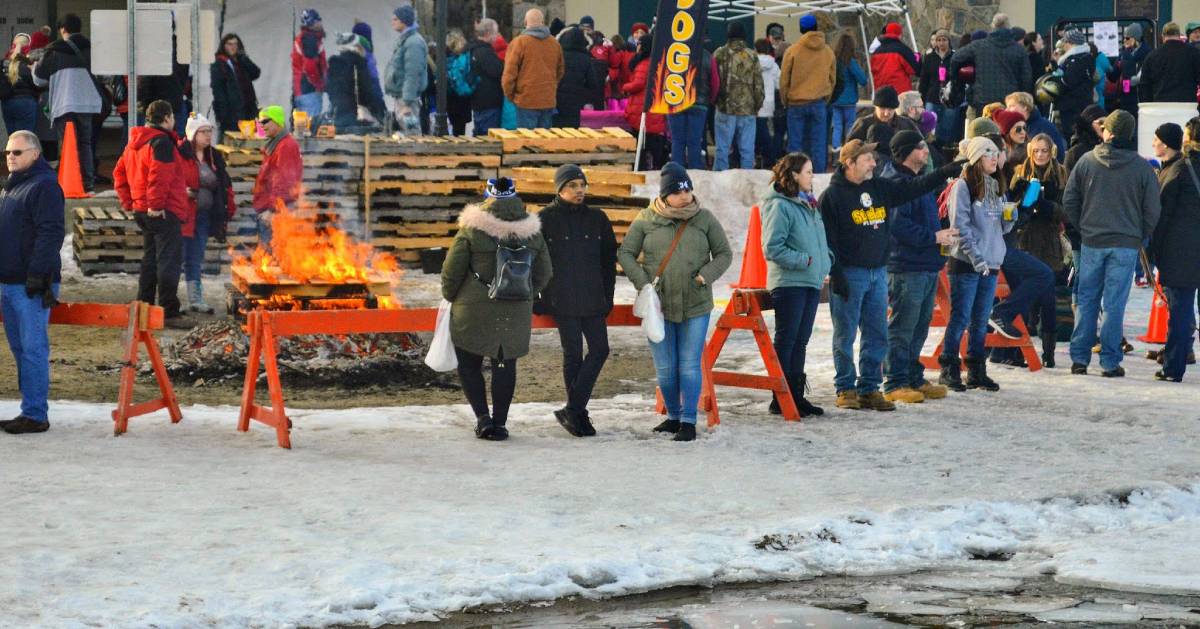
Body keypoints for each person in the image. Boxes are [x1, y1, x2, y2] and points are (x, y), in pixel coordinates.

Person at [819, 139, 961, 410]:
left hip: (877, 272)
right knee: (845, 334)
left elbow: (910, 189)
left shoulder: (878, 186)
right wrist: (836, 273)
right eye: (868, 159)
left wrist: (943, 172)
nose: (874, 163)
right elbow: (827, 239)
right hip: (851, 272)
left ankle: (870, 388)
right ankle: (845, 387)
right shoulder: (833, 197)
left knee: (877, 332)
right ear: (849, 164)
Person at [617, 163, 732, 441]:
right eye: (678, 191)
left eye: (688, 189)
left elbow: (724, 254)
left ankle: (689, 422)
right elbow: (626, 253)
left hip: (696, 304)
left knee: (690, 364)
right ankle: (673, 416)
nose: (685, 195)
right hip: (660, 306)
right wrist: (643, 282)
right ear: (665, 194)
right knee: (666, 368)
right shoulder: (646, 219)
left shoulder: (704, 218)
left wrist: (705, 276)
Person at [441, 178, 552, 441]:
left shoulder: (471, 228)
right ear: (516, 197)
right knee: (504, 362)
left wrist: (452, 295)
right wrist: (524, 292)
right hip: (515, 310)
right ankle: (500, 423)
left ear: (487, 197)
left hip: (473, 308)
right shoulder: (532, 232)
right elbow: (545, 272)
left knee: (469, 363)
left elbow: (451, 271)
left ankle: (483, 419)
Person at [1063, 110, 1161, 377]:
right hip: (1126, 242)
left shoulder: (1086, 161)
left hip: (1093, 240)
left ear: (1108, 132)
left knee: (1087, 300)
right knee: (1114, 304)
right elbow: (1152, 209)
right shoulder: (1142, 167)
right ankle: (1109, 361)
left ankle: (1080, 358)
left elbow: (1069, 200)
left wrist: (1084, 227)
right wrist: (1139, 234)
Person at [538, 165, 617, 436]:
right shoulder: (545, 219)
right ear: (559, 189)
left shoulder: (598, 218)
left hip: (593, 296)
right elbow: (535, 262)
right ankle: (578, 415)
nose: (579, 189)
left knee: (600, 349)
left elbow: (608, 261)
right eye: (572, 185)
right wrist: (539, 296)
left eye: (582, 184)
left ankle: (572, 409)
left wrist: (609, 296)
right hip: (561, 298)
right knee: (572, 353)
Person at [881, 131, 957, 402]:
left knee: (920, 325)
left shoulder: (917, 181)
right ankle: (895, 381)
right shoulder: (895, 183)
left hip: (925, 263)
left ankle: (912, 375)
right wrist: (933, 237)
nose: (926, 151)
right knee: (903, 326)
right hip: (905, 265)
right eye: (921, 147)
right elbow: (899, 226)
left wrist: (943, 233)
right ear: (906, 152)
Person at [0, 130, 65, 434]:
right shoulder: (12, 188)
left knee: (33, 347)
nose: (10, 157)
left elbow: (50, 232)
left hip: (30, 284)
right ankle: (30, 409)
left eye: (17, 152)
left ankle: (36, 414)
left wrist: (39, 275)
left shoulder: (44, 186)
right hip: (9, 282)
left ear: (35, 154)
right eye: (8, 152)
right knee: (19, 348)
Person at [939, 137, 1014, 392]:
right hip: (967, 262)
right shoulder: (963, 186)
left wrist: (1011, 215)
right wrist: (976, 256)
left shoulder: (996, 185)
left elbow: (1001, 228)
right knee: (960, 317)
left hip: (991, 261)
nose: (994, 158)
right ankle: (948, 366)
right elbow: (960, 225)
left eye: (996, 153)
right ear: (975, 158)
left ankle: (976, 368)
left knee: (981, 320)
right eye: (988, 153)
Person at [760, 152, 832, 416]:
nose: (812, 177)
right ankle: (781, 396)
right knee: (788, 339)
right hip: (790, 282)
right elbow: (772, 247)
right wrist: (806, 260)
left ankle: (795, 395)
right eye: (808, 172)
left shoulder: (808, 202)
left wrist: (826, 260)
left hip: (810, 281)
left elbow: (817, 238)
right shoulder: (779, 205)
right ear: (793, 175)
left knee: (801, 340)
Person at [113, 100, 193, 329]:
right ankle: (168, 311)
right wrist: (155, 205)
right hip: (162, 210)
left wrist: (130, 203)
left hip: (143, 210)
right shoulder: (161, 143)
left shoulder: (135, 143)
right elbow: (160, 177)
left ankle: (144, 307)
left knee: (150, 260)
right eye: (173, 118)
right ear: (167, 118)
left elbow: (119, 173)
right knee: (168, 260)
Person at [1009, 134, 1070, 367]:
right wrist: (1021, 199)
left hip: (1050, 240)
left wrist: (1046, 206)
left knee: (1049, 298)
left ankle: (1049, 353)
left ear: (1051, 151)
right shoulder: (1020, 172)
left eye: (1044, 151)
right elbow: (1010, 203)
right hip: (1025, 239)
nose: (1041, 155)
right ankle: (1020, 349)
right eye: (1036, 151)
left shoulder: (1061, 173)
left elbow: (1067, 211)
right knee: (1025, 295)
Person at [1150, 119, 1200, 382]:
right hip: (1191, 248)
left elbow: (1162, 215)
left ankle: (1173, 366)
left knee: (1179, 310)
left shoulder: (1180, 169)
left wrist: (1154, 251)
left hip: (1182, 251)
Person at [30, 13, 101, 192]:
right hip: (87, 104)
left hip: (64, 104)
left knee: (69, 143)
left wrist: (33, 69)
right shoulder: (92, 49)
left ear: (62, 29)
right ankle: (88, 184)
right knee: (85, 143)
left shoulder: (53, 50)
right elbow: (105, 75)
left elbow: (38, 80)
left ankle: (69, 182)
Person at [177, 114, 236, 314]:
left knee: (195, 257)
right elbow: (170, 179)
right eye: (203, 132)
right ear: (193, 134)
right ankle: (169, 301)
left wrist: (227, 207)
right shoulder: (180, 154)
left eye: (209, 131)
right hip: (183, 215)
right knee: (177, 257)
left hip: (203, 216)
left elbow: (224, 183)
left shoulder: (214, 156)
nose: (208, 136)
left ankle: (196, 298)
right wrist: (182, 191)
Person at [780, 13, 836, 172]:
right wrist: (826, 98)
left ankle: (794, 177)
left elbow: (784, 80)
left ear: (800, 29)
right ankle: (818, 178)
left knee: (795, 145)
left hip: (796, 104)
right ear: (816, 28)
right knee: (819, 143)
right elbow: (832, 79)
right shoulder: (827, 51)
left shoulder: (793, 50)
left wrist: (785, 100)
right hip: (818, 103)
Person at [949, 13, 1032, 119]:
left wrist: (958, 86)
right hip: (1010, 102)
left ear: (993, 27)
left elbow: (956, 58)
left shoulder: (978, 46)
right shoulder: (1019, 50)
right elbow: (1026, 79)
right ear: (1009, 27)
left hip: (983, 100)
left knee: (983, 132)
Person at [713, 22, 765, 171]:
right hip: (748, 109)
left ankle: (719, 181)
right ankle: (747, 180)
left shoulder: (720, 53)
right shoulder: (752, 55)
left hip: (725, 108)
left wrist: (716, 101)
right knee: (747, 151)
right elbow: (759, 84)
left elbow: (714, 81)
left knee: (722, 149)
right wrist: (757, 105)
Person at [502, 9, 564, 130]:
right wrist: (550, 87)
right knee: (544, 143)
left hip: (526, 100)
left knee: (527, 143)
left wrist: (511, 96)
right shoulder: (554, 44)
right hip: (547, 100)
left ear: (525, 22)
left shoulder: (519, 42)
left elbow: (509, 75)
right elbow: (560, 71)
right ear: (543, 22)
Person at [251, 105, 302, 248]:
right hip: (268, 208)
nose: (261, 125)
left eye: (265, 121)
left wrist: (272, 210)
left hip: (275, 212)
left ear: (277, 121)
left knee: (273, 260)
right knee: (268, 258)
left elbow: (284, 182)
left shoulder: (286, 146)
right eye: (260, 122)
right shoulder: (276, 144)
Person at [666, 45, 717, 169]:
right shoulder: (708, 56)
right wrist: (709, 100)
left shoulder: (674, 52)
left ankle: (677, 176)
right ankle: (695, 176)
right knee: (695, 141)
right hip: (700, 104)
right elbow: (715, 82)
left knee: (678, 141)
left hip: (676, 102)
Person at [327, 33, 387, 133]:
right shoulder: (359, 63)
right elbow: (365, 92)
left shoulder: (334, 63)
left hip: (338, 115)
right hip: (354, 116)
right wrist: (377, 111)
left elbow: (329, 88)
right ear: (356, 47)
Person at [623, 35, 668, 170]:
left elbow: (639, 83)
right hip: (654, 109)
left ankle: (642, 170)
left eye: (639, 44)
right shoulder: (658, 62)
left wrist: (625, 87)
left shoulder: (644, 63)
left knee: (641, 145)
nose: (637, 47)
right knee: (654, 143)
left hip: (642, 110)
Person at [386, 5, 428, 134]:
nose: (392, 22)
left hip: (407, 99)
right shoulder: (406, 40)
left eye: (395, 19)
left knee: (412, 133)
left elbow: (413, 74)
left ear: (404, 21)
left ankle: (415, 154)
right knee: (408, 132)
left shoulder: (413, 42)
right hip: (402, 97)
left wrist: (407, 103)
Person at [210, 34, 261, 140]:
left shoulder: (241, 61)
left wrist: (244, 59)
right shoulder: (219, 63)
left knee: (249, 138)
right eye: (229, 44)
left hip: (248, 107)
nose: (233, 47)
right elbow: (218, 91)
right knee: (231, 139)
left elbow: (256, 73)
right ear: (224, 46)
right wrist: (222, 114)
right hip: (231, 111)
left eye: (235, 44)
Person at [1140, 22, 1200, 105]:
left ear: (1163, 36)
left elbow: (1145, 86)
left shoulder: (1151, 56)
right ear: (1179, 36)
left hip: (1161, 106)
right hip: (1187, 106)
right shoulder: (1194, 53)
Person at [830, 31, 868, 152]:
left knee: (837, 126)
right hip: (849, 101)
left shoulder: (833, 60)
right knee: (850, 127)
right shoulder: (850, 62)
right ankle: (849, 151)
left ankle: (836, 150)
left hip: (835, 99)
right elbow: (862, 79)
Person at [553, 27, 598, 129]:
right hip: (575, 101)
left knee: (555, 132)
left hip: (556, 100)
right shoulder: (585, 59)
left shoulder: (558, 55)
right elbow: (593, 83)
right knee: (572, 134)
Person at [466, 19, 504, 136]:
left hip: (477, 101)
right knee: (488, 138)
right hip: (488, 103)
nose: (497, 36)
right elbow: (499, 71)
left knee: (480, 134)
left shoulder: (472, 48)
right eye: (495, 33)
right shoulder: (485, 52)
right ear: (487, 34)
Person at [1054, 30, 1094, 139]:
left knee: (1072, 133)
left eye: (1065, 42)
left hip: (1071, 105)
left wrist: (1056, 83)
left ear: (1070, 43)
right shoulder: (1087, 57)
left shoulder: (1075, 60)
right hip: (1084, 101)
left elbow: (1068, 81)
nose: (1064, 45)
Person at [919, 29, 955, 148]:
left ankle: (943, 150)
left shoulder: (955, 57)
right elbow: (924, 78)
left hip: (949, 97)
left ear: (949, 41)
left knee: (946, 126)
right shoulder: (930, 57)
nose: (941, 43)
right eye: (939, 40)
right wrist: (922, 96)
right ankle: (930, 148)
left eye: (944, 40)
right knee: (929, 126)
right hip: (932, 95)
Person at [291, 9, 327, 124]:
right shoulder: (310, 40)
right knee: (311, 129)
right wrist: (319, 85)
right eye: (318, 20)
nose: (320, 23)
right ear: (314, 22)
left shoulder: (304, 38)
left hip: (301, 90)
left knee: (302, 128)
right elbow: (310, 68)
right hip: (309, 92)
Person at [847, 86, 920, 142]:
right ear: (875, 107)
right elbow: (849, 150)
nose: (886, 113)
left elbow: (921, 144)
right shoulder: (863, 124)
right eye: (882, 108)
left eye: (890, 109)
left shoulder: (907, 124)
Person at [1004, 91, 1064, 159]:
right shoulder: (1012, 128)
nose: (1006, 110)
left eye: (1011, 106)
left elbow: (1057, 155)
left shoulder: (1044, 127)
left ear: (1024, 107)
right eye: (1007, 107)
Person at [2, 34, 39, 134]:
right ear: (28, 46)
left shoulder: (5, 62)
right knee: (25, 136)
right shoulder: (30, 63)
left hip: (7, 103)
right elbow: (38, 83)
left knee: (12, 137)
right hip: (27, 102)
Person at [870, 22, 920, 95]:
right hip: (900, 93)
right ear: (899, 35)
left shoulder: (876, 52)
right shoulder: (903, 50)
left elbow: (873, 71)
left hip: (881, 93)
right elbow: (915, 70)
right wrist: (918, 59)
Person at [754, 39, 782, 166]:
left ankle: (758, 155)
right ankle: (768, 158)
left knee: (755, 131)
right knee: (766, 130)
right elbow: (779, 84)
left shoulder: (751, 62)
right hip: (769, 102)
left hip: (754, 101)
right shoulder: (774, 65)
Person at [1064, 104, 1106, 173]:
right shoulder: (1075, 152)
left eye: (1106, 122)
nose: (1103, 126)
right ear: (1090, 123)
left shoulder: (1111, 146)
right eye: (1100, 122)